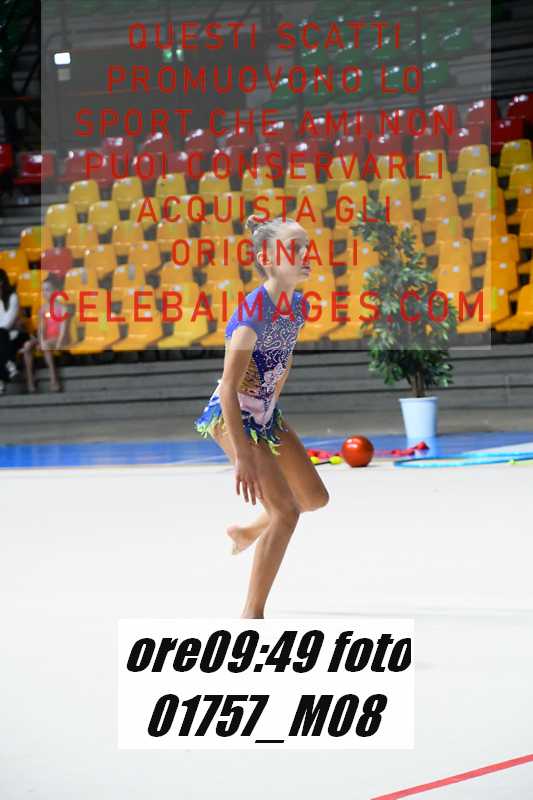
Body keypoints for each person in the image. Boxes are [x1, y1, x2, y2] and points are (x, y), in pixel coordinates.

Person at [194, 215, 329, 619]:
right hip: (231, 414)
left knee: (314, 498)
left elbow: (283, 362)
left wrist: (271, 416)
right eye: (295, 248)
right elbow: (228, 388)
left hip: (264, 413)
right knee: (286, 511)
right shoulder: (254, 312)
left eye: (306, 247)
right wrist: (244, 455)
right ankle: (252, 614)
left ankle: (249, 531)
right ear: (268, 259)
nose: (306, 255)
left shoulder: (297, 306)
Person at [23, 276, 70, 393]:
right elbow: (41, 329)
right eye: (43, 290)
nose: (45, 292)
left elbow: (63, 329)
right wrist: (40, 341)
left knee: (46, 345)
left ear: (56, 291)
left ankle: (54, 380)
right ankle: (30, 382)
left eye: (48, 289)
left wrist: (57, 343)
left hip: (59, 338)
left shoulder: (62, 308)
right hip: (47, 339)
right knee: (27, 346)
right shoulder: (42, 309)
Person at [0, 268, 35, 395]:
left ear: (1, 281)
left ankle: (2, 380)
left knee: (1, 334)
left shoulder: (13, 297)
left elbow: (9, 322)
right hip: (4, 338)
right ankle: (10, 366)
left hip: (17, 334)